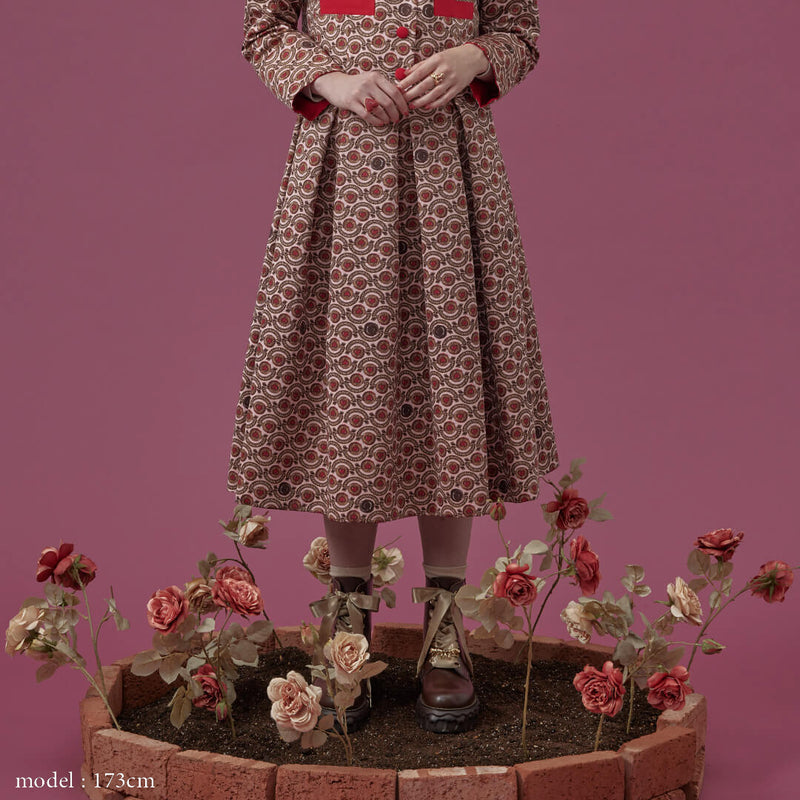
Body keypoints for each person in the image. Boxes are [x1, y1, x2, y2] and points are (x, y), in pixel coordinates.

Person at [228, 0, 560, 733]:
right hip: (346, 173)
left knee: (451, 377)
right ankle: (348, 619)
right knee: (349, 383)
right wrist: (333, 80)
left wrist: (476, 57)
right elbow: (264, 27)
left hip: (452, 173)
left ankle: (444, 626)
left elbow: (519, 30)